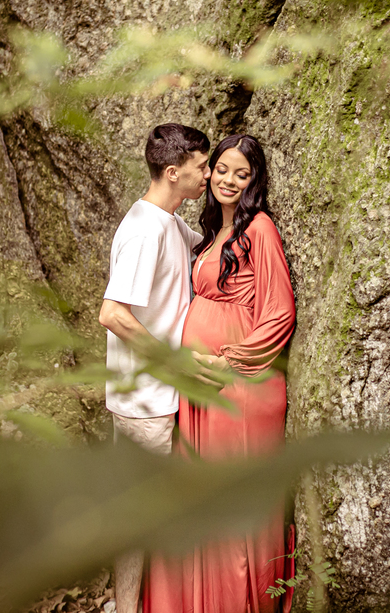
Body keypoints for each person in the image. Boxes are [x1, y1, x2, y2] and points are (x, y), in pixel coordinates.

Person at [146, 133, 297, 613]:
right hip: (203, 384)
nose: (229, 180)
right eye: (223, 169)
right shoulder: (212, 234)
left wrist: (228, 360)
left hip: (238, 384)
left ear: (254, 181)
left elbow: (280, 312)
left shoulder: (260, 230)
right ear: (208, 173)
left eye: (242, 173)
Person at [99, 123, 211, 613]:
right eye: (202, 167)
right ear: (173, 172)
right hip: (144, 400)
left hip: (156, 396)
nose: (207, 175)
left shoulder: (169, 221)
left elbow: (206, 242)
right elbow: (113, 314)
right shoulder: (144, 229)